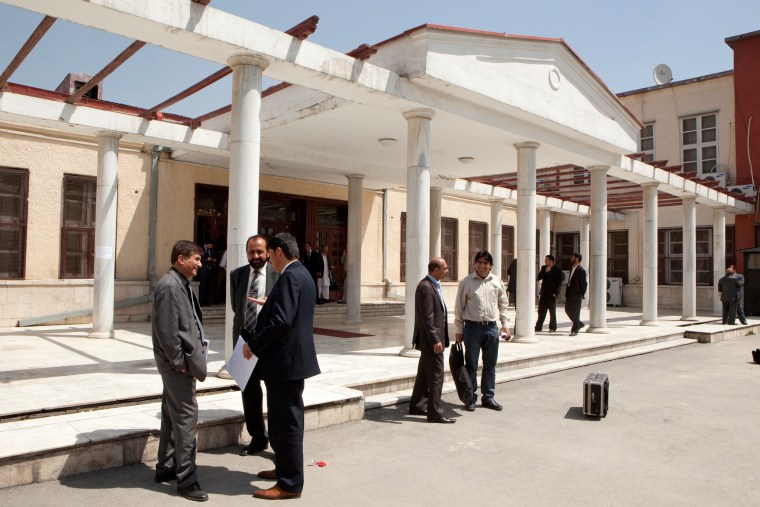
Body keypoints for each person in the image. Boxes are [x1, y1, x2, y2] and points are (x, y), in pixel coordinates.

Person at [242, 233, 321, 500]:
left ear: (277, 251)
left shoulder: (289, 275)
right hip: (289, 363)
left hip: (284, 364)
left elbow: (281, 322)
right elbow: (290, 312)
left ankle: (289, 484)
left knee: (286, 423)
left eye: (269, 255)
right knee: (281, 421)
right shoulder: (303, 273)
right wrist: (270, 305)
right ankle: (283, 469)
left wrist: (253, 343)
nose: (269, 261)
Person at [152, 240, 209, 502]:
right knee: (186, 419)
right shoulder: (168, 286)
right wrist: (181, 364)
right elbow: (166, 332)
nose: (200, 264)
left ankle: (165, 466)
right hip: (178, 367)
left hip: (180, 365)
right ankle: (186, 479)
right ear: (180, 258)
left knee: (170, 414)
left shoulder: (179, 283)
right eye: (196, 259)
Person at [230, 235, 278, 457]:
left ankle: (279, 443)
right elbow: (236, 308)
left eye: (260, 252)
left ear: (268, 252)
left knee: (274, 392)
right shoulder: (237, 275)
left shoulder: (279, 275)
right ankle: (258, 438)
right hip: (244, 341)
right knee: (249, 392)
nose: (256, 256)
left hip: (268, 341)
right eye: (252, 252)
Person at [454, 251, 511, 412]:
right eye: (479, 262)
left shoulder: (497, 281)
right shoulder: (466, 282)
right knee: (471, 365)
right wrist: (459, 329)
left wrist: (505, 324)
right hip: (472, 329)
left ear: (490, 265)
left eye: (485, 263)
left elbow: (503, 304)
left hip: (491, 328)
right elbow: (459, 307)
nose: (482, 265)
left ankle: (488, 397)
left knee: (490, 366)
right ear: (475, 264)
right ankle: (470, 398)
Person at [409, 257, 454, 423]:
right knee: (436, 375)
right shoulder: (426, 287)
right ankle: (435, 412)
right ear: (436, 270)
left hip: (431, 340)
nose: (447, 271)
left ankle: (417, 405)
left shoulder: (431, 285)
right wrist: (436, 340)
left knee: (423, 375)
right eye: (445, 268)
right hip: (431, 341)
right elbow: (427, 318)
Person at [535, 254, 563, 333]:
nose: (545, 261)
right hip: (544, 293)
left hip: (552, 294)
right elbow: (539, 277)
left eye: (546, 260)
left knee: (552, 311)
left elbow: (559, 283)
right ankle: (538, 327)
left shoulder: (557, 270)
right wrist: (545, 271)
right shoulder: (544, 267)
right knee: (541, 311)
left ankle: (553, 327)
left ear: (551, 261)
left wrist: (556, 293)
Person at [564, 253, 587, 336]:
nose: (571, 259)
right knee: (567, 310)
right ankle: (579, 324)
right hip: (569, 293)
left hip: (577, 295)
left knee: (576, 313)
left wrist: (581, 295)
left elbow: (584, 284)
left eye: (572, 257)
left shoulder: (581, 270)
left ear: (577, 259)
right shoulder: (572, 268)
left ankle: (574, 330)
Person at [197, 241, 218, 307]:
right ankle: (201, 302)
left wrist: (214, 259)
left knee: (208, 287)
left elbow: (214, 257)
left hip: (210, 270)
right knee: (203, 286)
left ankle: (207, 302)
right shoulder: (201, 249)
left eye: (211, 246)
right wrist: (206, 259)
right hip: (203, 271)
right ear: (206, 244)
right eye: (210, 246)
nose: (210, 247)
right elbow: (199, 259)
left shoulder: (211, 250)